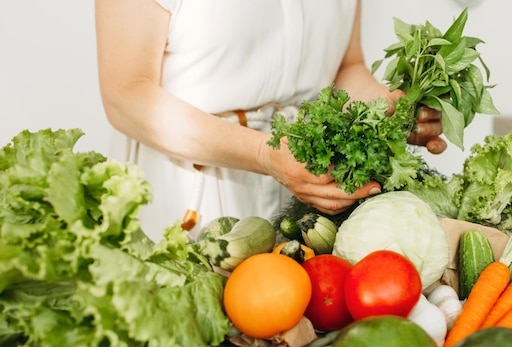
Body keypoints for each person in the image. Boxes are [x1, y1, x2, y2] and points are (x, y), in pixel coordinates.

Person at [94, 0, 447, 242]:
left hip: (304, 193)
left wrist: (388, 109)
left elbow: (346, 67)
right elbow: (126, 94)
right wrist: (266, 155)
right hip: (186, 187)